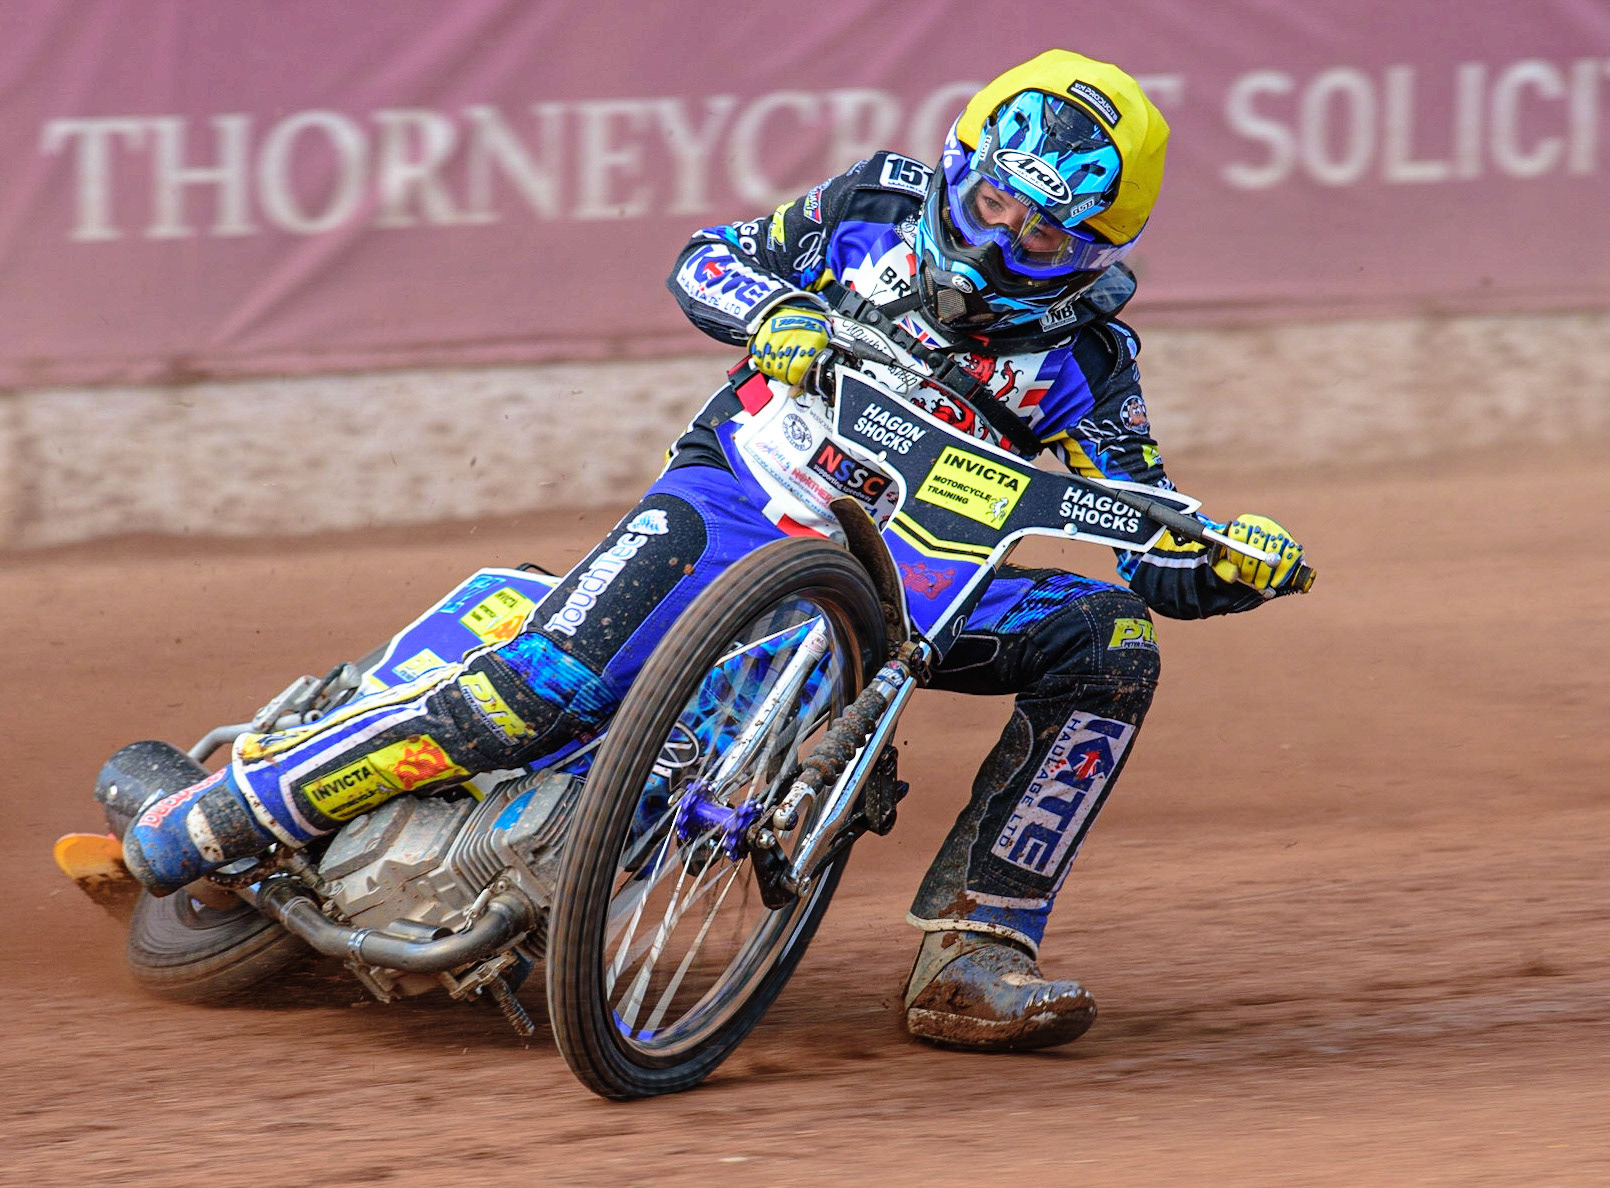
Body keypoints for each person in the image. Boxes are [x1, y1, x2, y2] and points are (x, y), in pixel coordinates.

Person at [122, 49, 1309, 1052]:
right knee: (527, 695)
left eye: (1043, 234)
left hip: (921, 594)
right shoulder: (872, 207)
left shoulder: (1094, 363)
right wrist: (773, 313)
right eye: (992, 202)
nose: (999, 243)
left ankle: (976, 953)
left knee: (1112, 639)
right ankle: (217, 822)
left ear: (1094, 251)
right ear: (960, 168)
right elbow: (708, 258)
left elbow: (1149, 535)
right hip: (735, 498)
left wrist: (1222, 566)